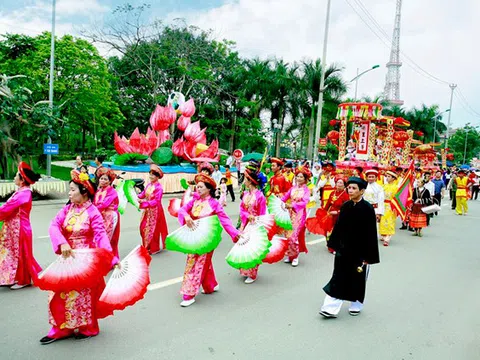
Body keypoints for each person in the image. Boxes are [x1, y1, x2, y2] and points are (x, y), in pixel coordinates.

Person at [40, 170, 118, 345]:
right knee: (58, 292)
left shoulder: (93, 212)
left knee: (82, 295)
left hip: (85, 260)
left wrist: (111, 258)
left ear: (84, 192)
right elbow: (54, 226)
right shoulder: (67, 209)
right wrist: (62, 242)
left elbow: (101, 235)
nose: (69, 193)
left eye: (72, 190)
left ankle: (87, 327)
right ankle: (61, 328)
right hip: (67, 257)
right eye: (70, 190)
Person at [319, 177, 380, 318]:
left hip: (360, 251)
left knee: (357, 278)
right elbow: (338, 227)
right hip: (343, 249)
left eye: (353, 188)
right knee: (338, 277)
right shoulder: (346, 206)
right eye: (349, 188)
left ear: (362, 191)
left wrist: (368, 256)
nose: (350, 190)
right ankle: (330, 308)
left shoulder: (368, 209)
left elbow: (371, 233)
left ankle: (356, 303)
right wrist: (333, 244)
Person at [177, 173, 240, 307]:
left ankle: (189, 293)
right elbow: (182, 210)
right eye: (197, 187)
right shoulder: (195, 201)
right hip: (194, 238)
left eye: (200, 187)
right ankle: (211, 285)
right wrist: (187, 216)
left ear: (208, 188)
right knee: (197, 261)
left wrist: (235, 234)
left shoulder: (214, 204)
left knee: (197, 263)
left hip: (207, 239)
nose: (198, 189)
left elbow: (225, 220)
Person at [0, 162, 42, 290]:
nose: (14, 178)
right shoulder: (22, 191)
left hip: (20, 229)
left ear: (22, 180)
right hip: (16, 228)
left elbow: (6, 209)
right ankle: (12, 277)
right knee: (15, 253)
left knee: (21, 254)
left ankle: (24, 280)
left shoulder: (23, 194)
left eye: (16, 175)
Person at [238, 169, 267, 283]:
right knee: (244, 246)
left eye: (245, 179)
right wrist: (247, 215)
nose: (244, 181)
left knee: (253, 248)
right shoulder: (245, 194)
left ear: (250, 181)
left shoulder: (260, 196)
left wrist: (256, 220)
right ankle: (245, 270)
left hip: (255, 225)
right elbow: (241, 209)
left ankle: (252, 273)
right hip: (245, 224)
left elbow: (262, 213)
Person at [281, 166, 311, 267]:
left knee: (294, 236)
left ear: (305, 179)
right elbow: (285, 197)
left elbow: (304, 202)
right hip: (289, 214)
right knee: (287, 235)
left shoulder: (306, 190)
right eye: (297, 176)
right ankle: (290, 256)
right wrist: (279, 202)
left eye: (301, 177)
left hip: (299, 214)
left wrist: (292, 205)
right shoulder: (293, 188)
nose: (299, 178)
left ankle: (295, 256)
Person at [138, 164, 168, 255]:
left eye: (153, 175)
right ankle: (146, 246)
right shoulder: (148, 185)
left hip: (155, 210)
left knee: (153, 229)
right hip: (147, 210)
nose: (151, 176)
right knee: (143, 227)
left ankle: (154, 248)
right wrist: (136, 197)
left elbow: (156, 201)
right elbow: (143, 194)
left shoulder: (159, 188)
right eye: (150, 174)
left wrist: (144, 203)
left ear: (157, 177)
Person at [94, 167, 120, 260]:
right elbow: (95, 203)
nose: (102, 180)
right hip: (100, 216)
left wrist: (92, 209)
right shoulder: (99, 190)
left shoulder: (112, 192)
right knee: (99, 237)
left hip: (110, 216)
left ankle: (109, 259)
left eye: (105, 179)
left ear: (110, 181)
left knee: (108, 238)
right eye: (101, 178)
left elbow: (104, 204)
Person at [323, 177, 350, 253]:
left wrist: (337, 212)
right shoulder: (332, 193)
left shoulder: (346, 195)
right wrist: (324, 211)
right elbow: (328, 203)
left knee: (336, 232)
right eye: (338, 182)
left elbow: (346, 208)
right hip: (330, 214)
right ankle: (329, 244)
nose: (339, 184)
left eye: (341, 183)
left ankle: (333, 247)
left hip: (339, 216)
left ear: (344, 185)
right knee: (328, 230)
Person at [379, 171, 399, 247]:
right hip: (383, 205)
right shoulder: (384, 186)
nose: (387, 178)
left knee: (390, 222)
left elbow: (398, 198)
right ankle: (384, 235)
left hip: (391, 206)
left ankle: (387, 238)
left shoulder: (396, 188)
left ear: (394, 178)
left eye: (389, 176)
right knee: (382, 221)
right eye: (386, 176)